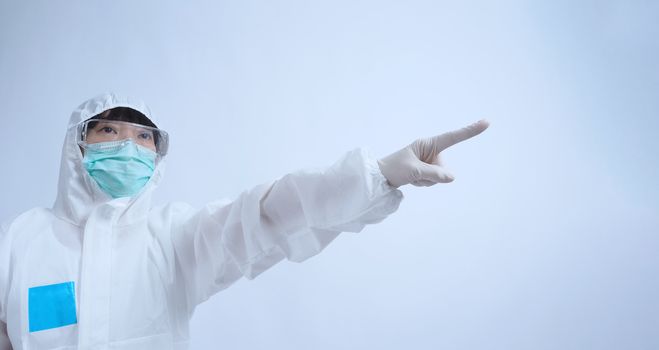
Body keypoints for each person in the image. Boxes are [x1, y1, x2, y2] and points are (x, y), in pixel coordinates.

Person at [0, 93, 489, 349]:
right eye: (110, 130)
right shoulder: (22, 240)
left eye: (143, 136)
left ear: (158, 152)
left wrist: (378, 174)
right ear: (77, 145)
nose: (129, 146)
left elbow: (268, 215)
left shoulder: (174, 237)